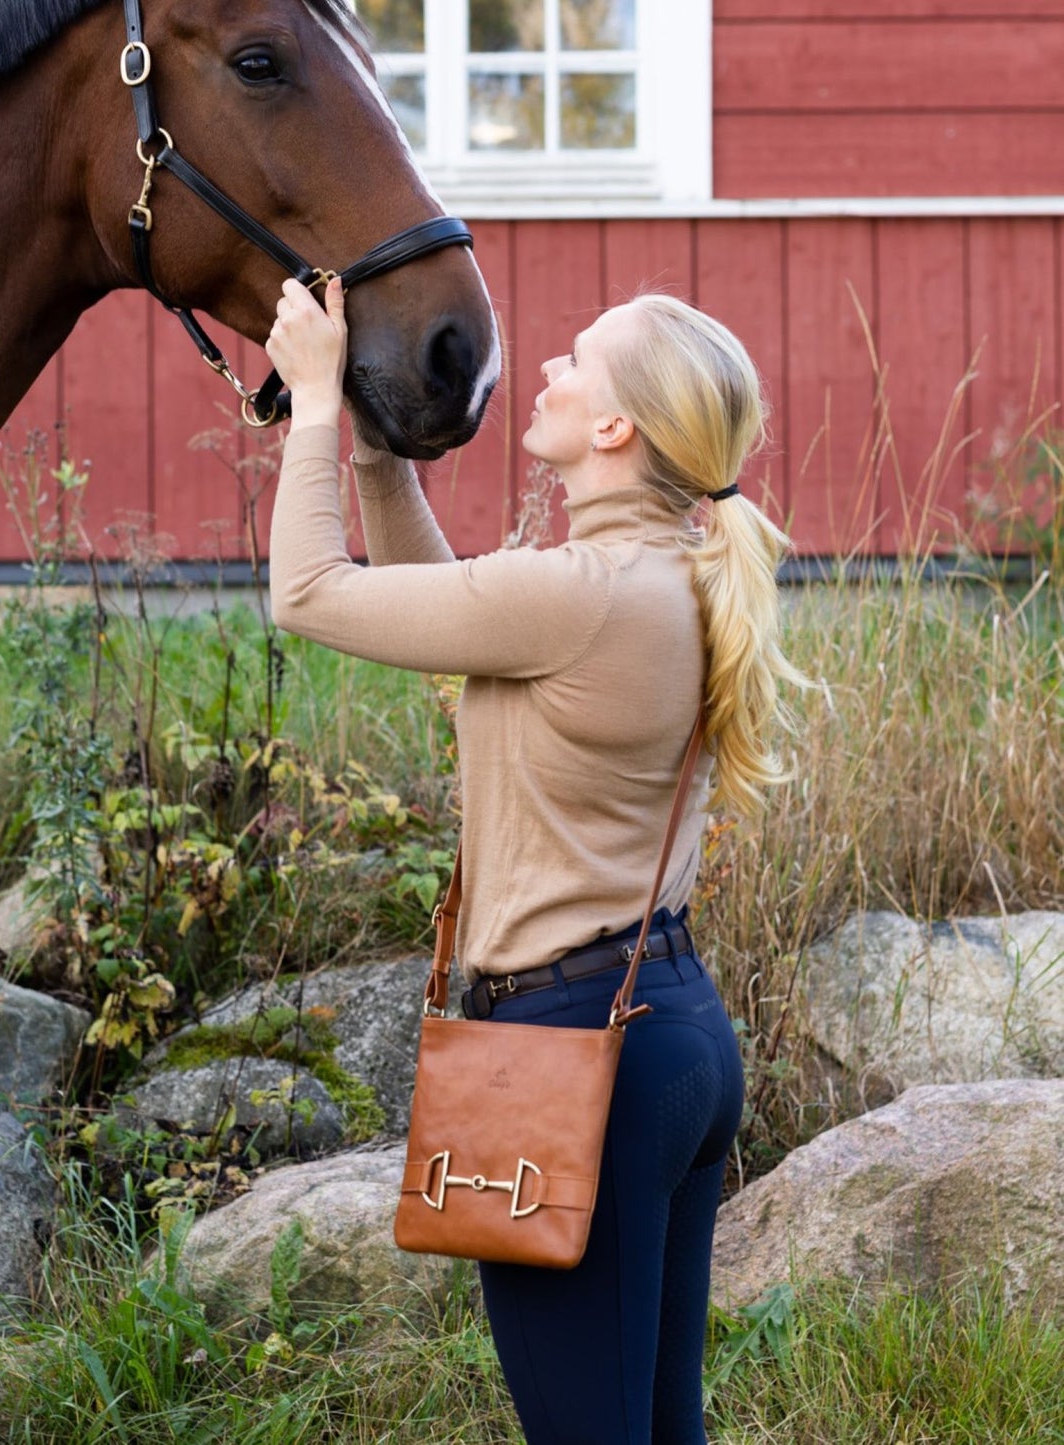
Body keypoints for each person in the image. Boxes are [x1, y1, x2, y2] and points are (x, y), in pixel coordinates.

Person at [264, 276, 805, 1445]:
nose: (546, 369)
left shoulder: (580, 593)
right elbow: (449, 623)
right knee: (656, 1428)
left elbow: (307, 593)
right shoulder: (650, 580)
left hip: (573, 1052)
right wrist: (374, 456)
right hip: (663, 1032)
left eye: (574, 358)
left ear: (614, 428)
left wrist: (313, 401)